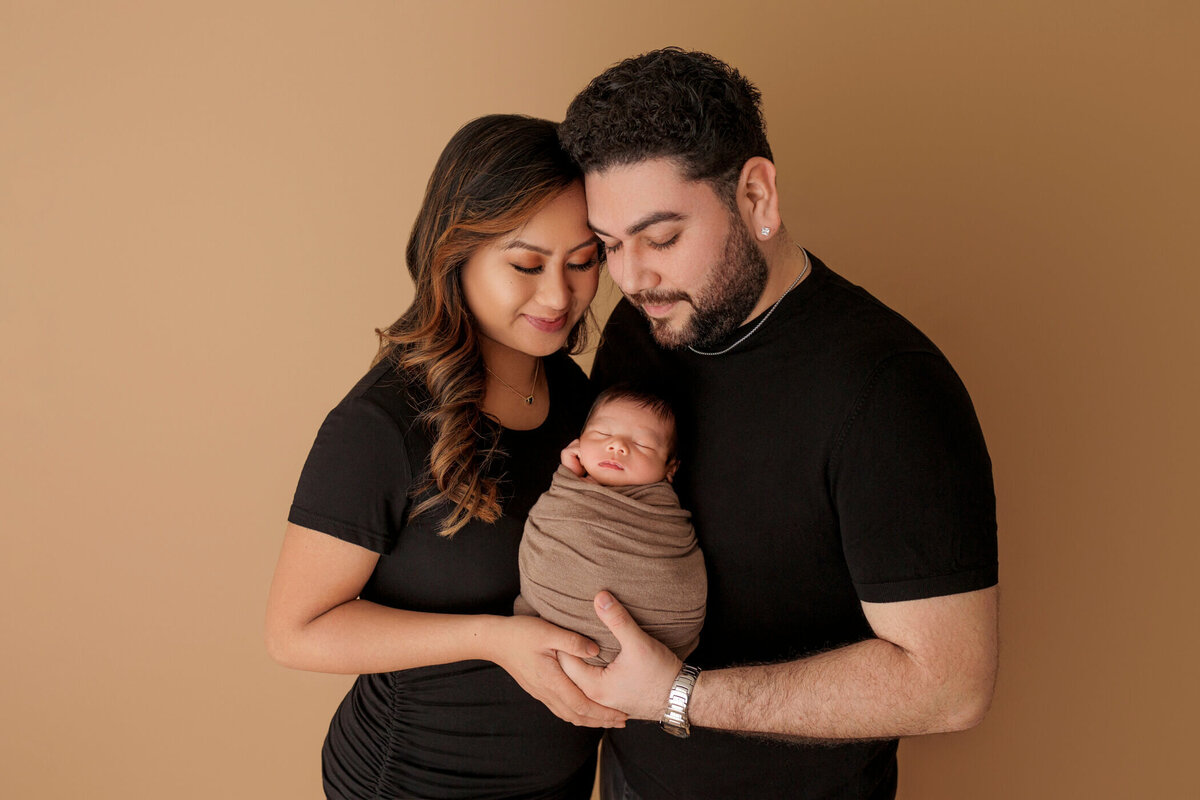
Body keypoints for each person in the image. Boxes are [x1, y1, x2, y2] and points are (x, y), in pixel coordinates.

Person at [554, 48, 1000, 799]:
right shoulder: (644, 330)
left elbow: (951, 685)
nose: (631, 279)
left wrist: (679, 696)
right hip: (630, 781)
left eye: (661, 238)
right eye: (609, 245)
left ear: (757, 197)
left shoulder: (890, 389)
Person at [264, 114, 626, 800]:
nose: (559, 296)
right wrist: (493, 639)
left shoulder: (576, 393)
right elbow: (295, 633)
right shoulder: (380, 425)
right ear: (454, 252)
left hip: (563, 779)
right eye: (526, 265)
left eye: (583, 262)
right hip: (416, 780)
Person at [514, 385, 706, 666]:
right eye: (603, 434)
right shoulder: (566, 490)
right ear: (578, 442)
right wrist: (567, 475)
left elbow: (674, 577)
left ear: (670, 469)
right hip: (548, 635)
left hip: (650, 655)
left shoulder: (661, 514)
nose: (617, 446)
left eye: (642, 444)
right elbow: (549, 525)